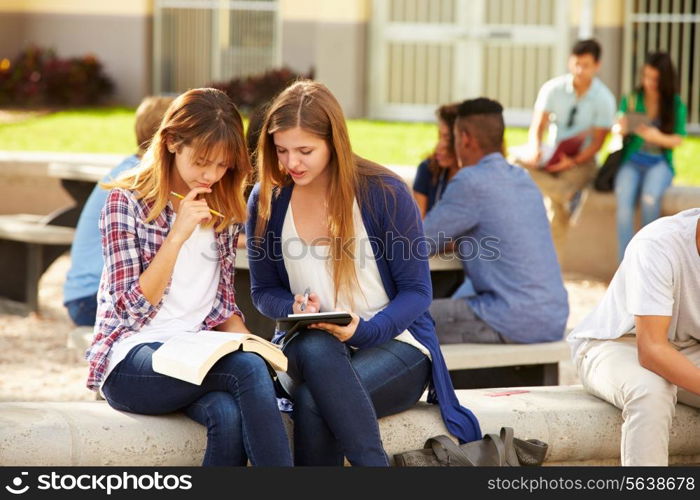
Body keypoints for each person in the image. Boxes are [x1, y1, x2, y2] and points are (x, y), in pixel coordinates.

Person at [246, 80, 482, 466]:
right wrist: (293, 305)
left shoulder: (383, 192)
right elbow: (263, 290)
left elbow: (417, 292)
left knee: (313, 401)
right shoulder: (267, 198)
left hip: (396, 343)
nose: (292, 163)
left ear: (333, 142)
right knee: (315, 347)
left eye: (306, 150)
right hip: (311, 345)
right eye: (282, 150)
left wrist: (364, 331)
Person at [85, 88, 293, 467]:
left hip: (195, 354)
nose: (212, 175)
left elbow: (221, 308)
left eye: (222, 166)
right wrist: (177, 236)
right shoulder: (125, 204)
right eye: (202, 162)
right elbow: (129, 311)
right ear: (170, 143)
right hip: (132, 361)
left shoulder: (222, 211)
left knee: (228, 413)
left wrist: (254, 346)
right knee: (244, 370)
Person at [423, 98, 569, 345]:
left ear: (465, 138)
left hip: (511, 318)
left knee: (397, 320)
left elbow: (416, 243)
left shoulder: (470, 181)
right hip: (554, 317)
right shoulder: (522, 179)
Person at [568, 208, 700, 466]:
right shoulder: (659, 244)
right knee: (650, 393)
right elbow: (652, 349)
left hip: (687, 344)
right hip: (616, 343)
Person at [64, 96, 174, 326]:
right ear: (170, 138)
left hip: (81, 294)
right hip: (92, 298)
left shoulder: (129, 166)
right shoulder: (140, 180)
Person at [516, 39, 616, 256]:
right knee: (514, 162)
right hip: (550, 153)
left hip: (581, 162)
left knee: (555, 210)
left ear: (597, 65)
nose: (579, 70)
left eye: (586, 65)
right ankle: (570, 196)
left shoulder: (604, 99)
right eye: (576, 63)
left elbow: (598, 143)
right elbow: (537, 125)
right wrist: (535, 148)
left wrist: (573, 161)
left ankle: (550, 271)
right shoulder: (553, 88)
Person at [614, 52, 687, 262]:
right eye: (646, 76)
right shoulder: (633, 98)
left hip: (659, 163)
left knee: (650, 199)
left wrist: (657, 136)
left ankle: (647, 263)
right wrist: (622, 127)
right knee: (624, 207)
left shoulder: (674, 104)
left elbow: (678, 139)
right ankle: (625, 266)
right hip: (633, 160)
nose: (649, 83)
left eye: (654, 79)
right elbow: (618, 125)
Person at [412, 103, 460, 218]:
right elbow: (418, 226)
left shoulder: (480, 179)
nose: (439, 146)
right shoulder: (427, 169)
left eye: (447, 138)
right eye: (439, 137)